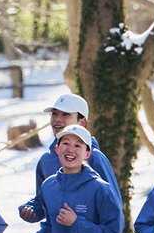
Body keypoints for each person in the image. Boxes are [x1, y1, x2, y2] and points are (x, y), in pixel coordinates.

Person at [19, 92, 117, 221]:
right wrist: (32, 209)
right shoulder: (46, 161)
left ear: (82, 122)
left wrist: (80, 226)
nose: (57, 119)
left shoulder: (95, 158)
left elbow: (113, 210)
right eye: (54, 114)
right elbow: (43, 202)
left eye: (66, 114)